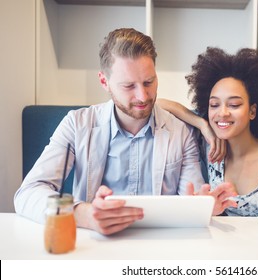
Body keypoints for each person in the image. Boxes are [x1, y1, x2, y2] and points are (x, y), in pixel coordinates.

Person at [14, 28, 236, 235]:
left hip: (159, 247)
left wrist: (204, 205)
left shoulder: (180, 132)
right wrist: (84, 215)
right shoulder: (77, 125)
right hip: (94, 245)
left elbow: (193, 200)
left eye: (149, 82)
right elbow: (28, 193)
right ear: (104, 81)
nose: (143, 96)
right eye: (129, 86)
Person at [157, 47, 258, 228]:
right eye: (214, 104)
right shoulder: (209, 147)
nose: (222, 113)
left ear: (252, 111)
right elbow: (157, 104)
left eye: (234, 104)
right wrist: (202, 124)